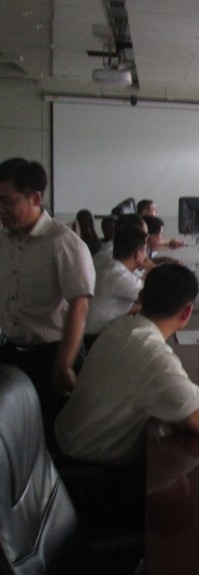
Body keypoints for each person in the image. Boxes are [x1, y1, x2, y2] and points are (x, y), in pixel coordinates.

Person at [55, 263, 199, 466]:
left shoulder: (120, 326)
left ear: (141, 297)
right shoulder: (153, 355)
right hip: (90, 466)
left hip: (65, 441)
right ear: (187, 312)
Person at [0, 158, 95, 444]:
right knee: (14, 436)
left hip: (52, 355)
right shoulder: (4, 241)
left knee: (51, 435)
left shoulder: (63, 243)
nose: (1, 209)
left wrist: (64, 363)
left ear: (36, 198)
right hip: (11, 353)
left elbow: (79, 305)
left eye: (7, 201)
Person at [84, 226, 147, 344]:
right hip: (94, 338)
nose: (146, 255)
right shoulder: (119, 276)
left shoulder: (115, 267)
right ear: (138, 255)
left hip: (97, 331)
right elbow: (154, 299)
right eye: (145, 250)